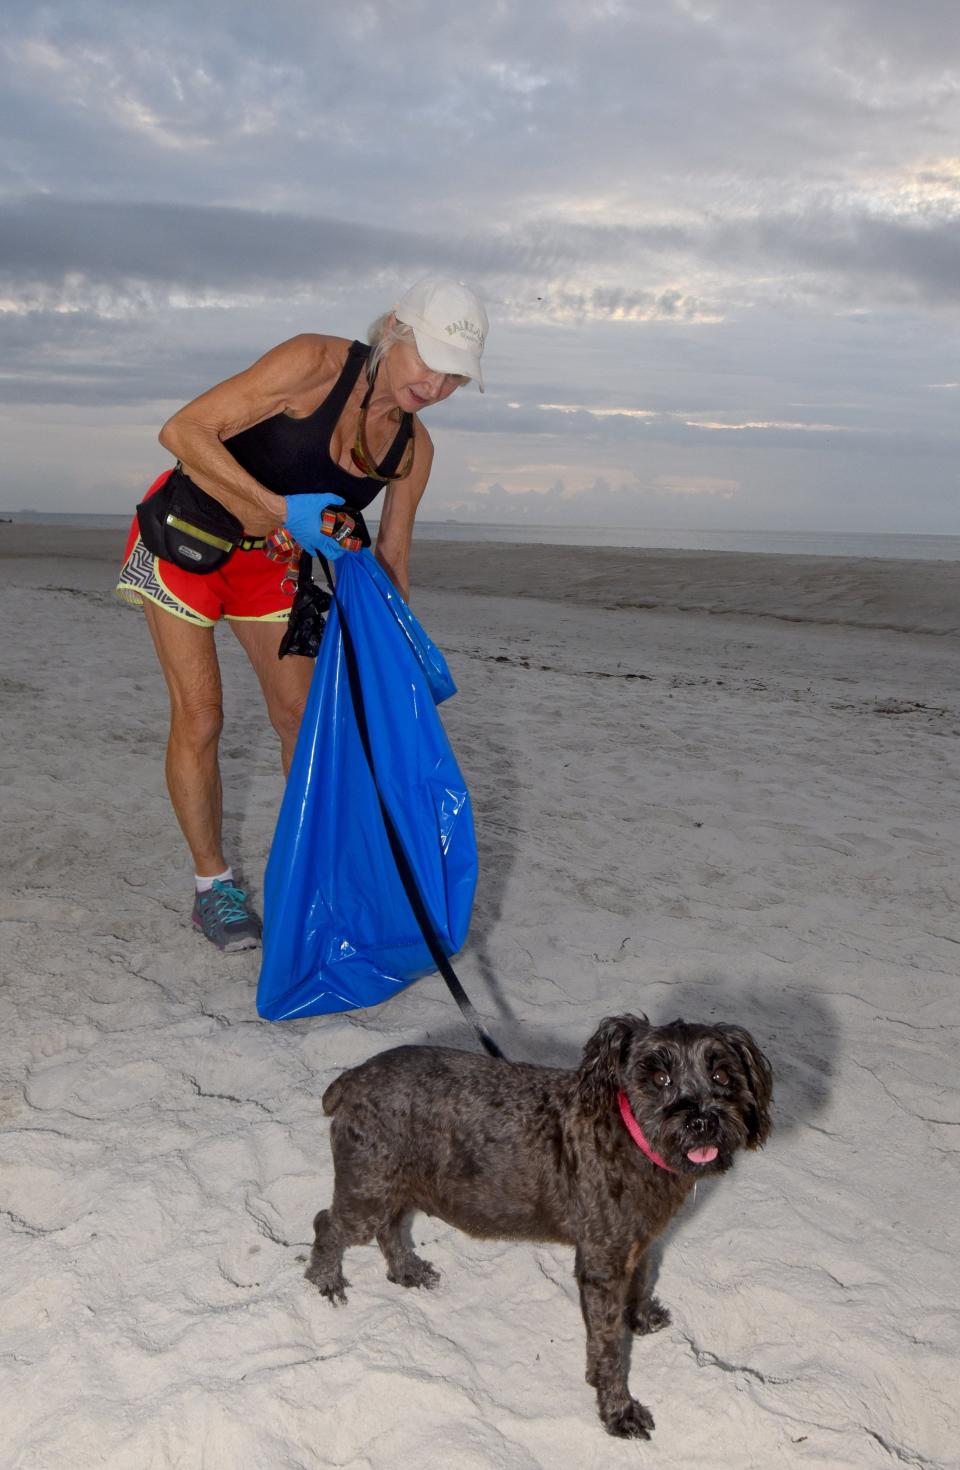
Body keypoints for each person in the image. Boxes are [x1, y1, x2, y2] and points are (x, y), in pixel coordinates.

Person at [116, 275, 488, 952]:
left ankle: (321, 873)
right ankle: (213, 887)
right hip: (184, 541)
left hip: (271, 566)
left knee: (301, 719)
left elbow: (391, 561)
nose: (434, 387)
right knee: (201, 715)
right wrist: (280, 507)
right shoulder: (313, 365)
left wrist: (390, 655)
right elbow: (183, 431)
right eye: (429, 363)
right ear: (395, 333)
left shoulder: (413, 451)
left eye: (455, 377)